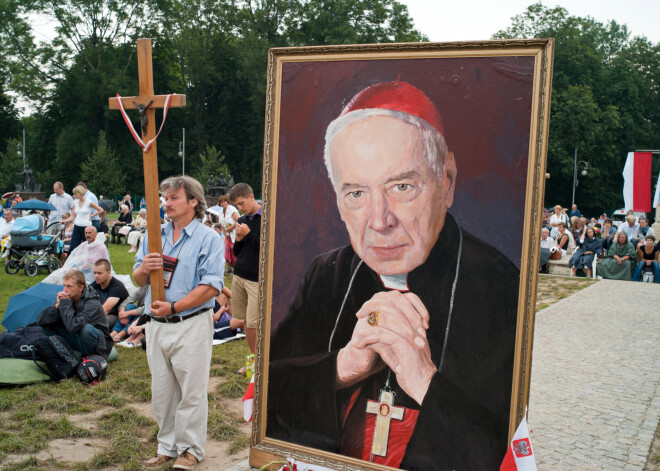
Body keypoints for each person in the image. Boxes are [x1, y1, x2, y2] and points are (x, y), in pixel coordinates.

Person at [267, 81, 519, 470]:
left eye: (402, 186)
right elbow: (269, 402)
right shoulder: (327, 276)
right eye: (356, 193)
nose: (379, 221)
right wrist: (341, 368)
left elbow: (505, 449)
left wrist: (423, 380)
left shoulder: (501, 287)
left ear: (446, 181)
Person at [133, 175, 224, 469]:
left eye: (173, 198)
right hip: (157, 326)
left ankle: (191, 450)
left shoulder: (210, 238)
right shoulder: (153, 235)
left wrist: (174, 306)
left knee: (191, 392)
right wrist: (144, 269)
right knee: (162, 391)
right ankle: (167, 446)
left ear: (193, 201)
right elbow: (136, 278)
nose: (166, 203)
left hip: (191, 323)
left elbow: (211, 286)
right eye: (164, 198)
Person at [36, 269, 113, 359]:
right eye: (64, 286)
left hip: (98, 343)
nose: (65, 290)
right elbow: (40, 321)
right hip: (77, 338)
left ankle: (86, 360)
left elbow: (73, 326)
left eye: (69, 286)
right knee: (47, 323)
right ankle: (63, 353)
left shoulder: (92, 303)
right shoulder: (68, 298)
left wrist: (65, 304)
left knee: (86, 329)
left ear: (80, 288)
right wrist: (56, 306)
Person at [229, 183, 261, 355]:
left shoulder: (267, 218)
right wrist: (239, 240)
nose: (240, 209)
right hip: (239, 275)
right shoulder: (241, 220)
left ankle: (260, 364)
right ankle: (254, 360)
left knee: (254, 324)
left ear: (251, 196)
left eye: (241, 203)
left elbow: (267, 250)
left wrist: (248, 235)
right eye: (237, 206)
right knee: (244, 321)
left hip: (256, 279)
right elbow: (237, 253)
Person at [62, 185, 105, 254]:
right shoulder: (75, 202)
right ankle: (71, 263)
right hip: (77, 226)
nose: (75, 195)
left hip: (86, 227)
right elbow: (73, 216)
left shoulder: (89, 202)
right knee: (73, 247)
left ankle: (89, 262)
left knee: (88, 247)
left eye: (76, 194)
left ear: (80, 193)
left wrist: (92, 215)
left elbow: (101, 210)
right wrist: (65, 220)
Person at [90, 259, 129, 329]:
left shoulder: (117, 287)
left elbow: (105, 310)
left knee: (96, 323)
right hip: (100, 314)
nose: (96, 276)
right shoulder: (94, 285)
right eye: (94, 273)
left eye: (99, 273)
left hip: (116, 316)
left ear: (109, 272)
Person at [218, 195, 239, 271]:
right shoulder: (221, 211)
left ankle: (237, 267)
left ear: (228, 202)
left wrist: (230, 228)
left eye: (225, 202)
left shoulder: (232, 210)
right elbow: (221, 223)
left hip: (234, 233)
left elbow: (238, 221)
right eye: (221, 202)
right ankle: (229, 267)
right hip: (227, 234)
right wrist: (224, 232)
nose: (223, 203)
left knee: (234, 250)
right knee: (226, 250)